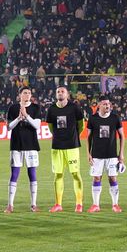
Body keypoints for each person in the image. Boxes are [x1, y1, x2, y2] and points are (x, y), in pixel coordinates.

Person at [44, 85, 87, 213]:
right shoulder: (51, 109)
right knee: (58, 174)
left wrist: (73, 136)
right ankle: (58, 204)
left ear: (67, 94)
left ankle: (79, 204)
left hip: (72, 146)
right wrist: (58, 136)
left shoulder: (74, 107)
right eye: (58, 91)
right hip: (57, 147)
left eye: (62, 91)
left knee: (75, 174)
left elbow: (81, 125)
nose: (60, 93)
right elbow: (51, 127)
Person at [5, 87, 42, 213]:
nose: (27, 95)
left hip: (31, 145)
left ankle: (34, 204)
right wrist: (19, 118)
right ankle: (10, 205)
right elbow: (9, 127)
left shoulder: (36, 108)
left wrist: (26, 116)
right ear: (20, 94)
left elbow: (37, 125)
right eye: (25, 93)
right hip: (16, 145)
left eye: (29, 93)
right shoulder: (13, 108)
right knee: (14, 174)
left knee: (32, 174)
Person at [86, 95, 124, 212]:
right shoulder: (92, 119)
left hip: (112, 155)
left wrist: (121, 154)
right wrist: (88, 153)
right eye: (104, 104)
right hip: (97, 155)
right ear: (99, 105)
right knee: (96, 178)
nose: (107, 106)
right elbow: (88, 138)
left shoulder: (115, 118)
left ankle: (115, 204)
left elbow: (122, 136)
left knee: (112, 178)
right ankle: (96, 205)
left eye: (108, 104)